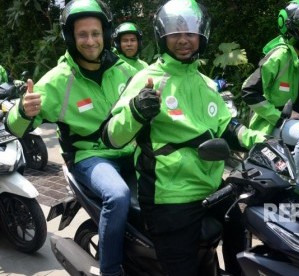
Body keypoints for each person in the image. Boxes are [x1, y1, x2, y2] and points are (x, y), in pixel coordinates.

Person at [101, 0, 265, 275]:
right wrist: (137, 112)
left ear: (201, 36)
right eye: (175, 33)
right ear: (163, 37)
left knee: (242, 233)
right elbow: (111, 137)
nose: (183, 40)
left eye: (190, 33)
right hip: (170, 195)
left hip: (211, 186)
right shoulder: (147, 79)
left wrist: (263, 140)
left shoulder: (207, 83)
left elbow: (228, 128)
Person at [5, 1, 138, 275]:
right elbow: (16, 128)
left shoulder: (126, 70)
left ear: (105, 35)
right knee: (118, 195)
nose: (90, 41)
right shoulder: (58, 80)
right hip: (92, 157)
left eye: (96, 33)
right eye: (82, 35)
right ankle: (111, 270)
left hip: (133, 151)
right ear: (70, 38)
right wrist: (22, 110)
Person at [241, 0, 299, 189]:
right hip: (273, 123)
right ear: (293, 31)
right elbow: (248, 91)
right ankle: (297, 189)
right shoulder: (280, 55)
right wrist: (281, 115)